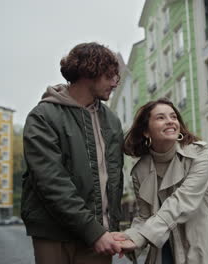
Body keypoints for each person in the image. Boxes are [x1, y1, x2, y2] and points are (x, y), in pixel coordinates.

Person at [21, 42, 125, 264]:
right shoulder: (43, 116)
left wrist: (109, 228)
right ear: (89, 72)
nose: (115, 83)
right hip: (55, 234)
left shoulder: (112, 121)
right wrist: (93, 231)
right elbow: (50, 182)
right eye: (110, 76)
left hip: (100, 235)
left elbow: (114, 178)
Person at [117, 98, 208, 264]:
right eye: (161, 118)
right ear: (146, 131)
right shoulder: (140, 171)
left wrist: (141, 236)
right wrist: (127, 237)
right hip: (163, 248)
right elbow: (144, 216)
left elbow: (183, 201)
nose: (170, 121)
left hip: (200, 244)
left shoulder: (199, 154)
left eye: (173, 117)